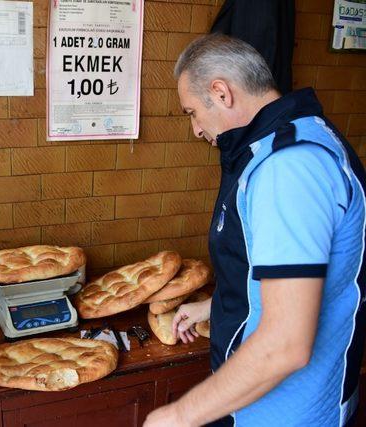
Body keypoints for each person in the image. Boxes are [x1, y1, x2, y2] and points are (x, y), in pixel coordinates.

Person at [144, 33, 366, 426]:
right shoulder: (290, 139)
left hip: (289, 413)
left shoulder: (290, 168)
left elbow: (285, 344)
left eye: (192, 112)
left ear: (221, 92)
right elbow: (295, 278)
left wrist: (179, 416)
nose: (196, 129)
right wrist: (218, 305)